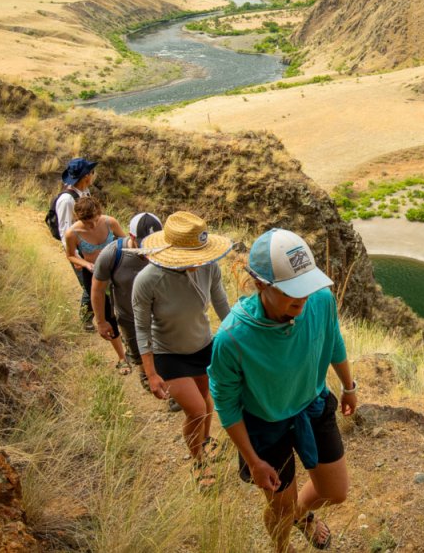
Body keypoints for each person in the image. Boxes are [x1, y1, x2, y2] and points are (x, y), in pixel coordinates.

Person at [209, 228, 357, 552]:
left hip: (312, 404)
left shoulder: (320, 299)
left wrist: (349, 385)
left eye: (305, 287)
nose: (302, 298)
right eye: (291, 290)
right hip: (265, 426)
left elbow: (332, 339)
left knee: (336, 491)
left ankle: (300, 516)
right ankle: (282, 546)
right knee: (280, 508)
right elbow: (226, 403)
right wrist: (252, 460)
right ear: (261, 284)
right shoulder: (233, 337)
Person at [132, 211, 233, 487]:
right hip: (169, 353)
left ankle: (205, 440)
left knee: (207, 400)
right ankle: (199, 462)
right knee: (197, 410)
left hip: (202, 345)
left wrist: (240, 335)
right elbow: (141, 330)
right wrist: (151, 374)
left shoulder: (209, 266)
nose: (198, 261)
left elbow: (222, 303)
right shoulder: (147, 281)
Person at [91, 212, 163, 388]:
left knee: (164, 354)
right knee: (138, 351)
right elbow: (98, 289)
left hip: (160, 316)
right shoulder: (112, 254)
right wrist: (101, 321)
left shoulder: (164, 252)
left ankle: (168, 385)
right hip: (129, 317)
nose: (151, 248)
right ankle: (144, 372)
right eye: (146, 242)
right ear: (132, 236)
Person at [63, 196, 128, 370]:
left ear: (99, 213)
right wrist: (85, 263)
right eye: (86, 222)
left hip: (115, 270)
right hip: (93, 274)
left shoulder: (110, 222)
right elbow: (70, 255)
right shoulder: (72, 233)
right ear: (78, 217)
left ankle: (132, 345)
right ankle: (122, 357)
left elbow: (126, 242)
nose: (91, 226)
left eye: (94, 220)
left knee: (125, 308)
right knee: (106, 314)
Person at [56, 157, 97, 330]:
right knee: (90, 285)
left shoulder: (84, 193)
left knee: (96, 281)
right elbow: (65, 231)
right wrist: (76, 258)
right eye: (92, 172)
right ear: (86, 176)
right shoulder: (67, 200)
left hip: (89, 245)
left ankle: (91, 316)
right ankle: (86, 320)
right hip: (78, 251)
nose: (94, 175)